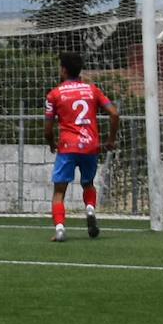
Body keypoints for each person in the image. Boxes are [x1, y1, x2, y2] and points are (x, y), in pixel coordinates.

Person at [44, 51, 119, 242]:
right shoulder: (92, 90)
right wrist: (110, 140)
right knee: (88, 183)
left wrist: (51, 143)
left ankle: (60, 229)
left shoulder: (55, 94)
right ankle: (90, 209)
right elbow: (114, 113)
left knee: (59, 191)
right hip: (90, 146)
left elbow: (48, 128)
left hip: (67, 147)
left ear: (63, 70)